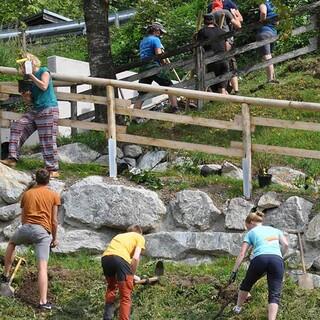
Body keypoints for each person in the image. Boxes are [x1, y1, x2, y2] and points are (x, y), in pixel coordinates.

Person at [0, 168, 60, 310]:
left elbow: (23, 217)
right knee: (42, 268)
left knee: (12, 243)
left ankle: (5, 275)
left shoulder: (27, 194)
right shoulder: (54, 195)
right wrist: (54, 238)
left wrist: (27, 232)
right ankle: (43, 302)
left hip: (26, 228)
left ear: (36, 179)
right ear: (48, 180)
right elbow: (54, 221)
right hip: (42, 232)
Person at [0, 52, 60, 178]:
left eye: (23, 65)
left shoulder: (44, 71)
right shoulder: (28, 79)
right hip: (36, 109)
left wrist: (31, 75)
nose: (22, 69)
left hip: (48, 108)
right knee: (17, 127)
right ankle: (12, 158)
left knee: (47, 139)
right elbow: (30, 100)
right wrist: (25, 96)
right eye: (21, 66)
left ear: (30, 62)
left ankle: (53, 169)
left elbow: (44, 86)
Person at [229, 210, 288, 320]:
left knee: (246, 285)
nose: (247, 229)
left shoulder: (251, 233)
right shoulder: (275, 230)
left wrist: (234, 271)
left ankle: (237, 308)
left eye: (247, 226)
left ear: (250, 222)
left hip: (260, 259)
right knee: (274, 293)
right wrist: (280, 256)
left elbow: (242, 253)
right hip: (277, 260)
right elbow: (286, 244)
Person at [101, 225, 145, 320]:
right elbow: (136, 258)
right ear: (139, 232)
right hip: (119, 260)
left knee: (111, 288)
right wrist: (131, 276)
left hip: (106, 258)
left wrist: (131, 276)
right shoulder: (139, 237)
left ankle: (107, 318)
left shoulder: (119, 237)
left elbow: (123, 266)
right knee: (125, 296)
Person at [133, 22, 178, 113]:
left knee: (142, 92)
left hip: (143, 68)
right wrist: (164, 63)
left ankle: (134, 115)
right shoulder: (155, 39)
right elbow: (158, 54)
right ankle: (174, 107)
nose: (161, 34)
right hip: (153, 67)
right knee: (169, 85)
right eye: (160, 32)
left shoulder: (143, 41)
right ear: (155, 31)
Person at [210, 0, 242, 94]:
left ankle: (222, 89)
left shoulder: (209, 15)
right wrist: (235, 15)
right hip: (227, 41)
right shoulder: (225, 12)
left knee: (219, 65)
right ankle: (235, 89)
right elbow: (238, 25)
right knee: (231, 63)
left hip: (215, 44)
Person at [197, 14, 229, 94]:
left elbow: (199, 47)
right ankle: (224, 99)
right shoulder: (221, 31)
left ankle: (222, 101)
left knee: (216, 84)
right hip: (224, 58)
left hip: (212, 60)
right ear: (213, 21)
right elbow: (227, 45)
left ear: (204, 21)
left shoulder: (202, 31)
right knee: (222, 84)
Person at [256, 0, 279, 83]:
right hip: (273, 32)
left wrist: (261, 21)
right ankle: (273, 77)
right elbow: (277, 22)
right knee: (270, 55)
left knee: (266, 56)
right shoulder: (274, 6)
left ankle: (270, 79)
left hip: (264, 32)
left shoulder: (263, 3)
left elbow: (263, 13)